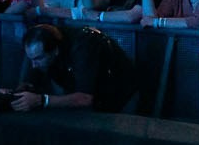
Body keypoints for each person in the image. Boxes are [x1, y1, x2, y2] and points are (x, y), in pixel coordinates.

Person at [10, 21, 139, 113]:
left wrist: (41, 100)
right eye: (31, 58)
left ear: (55, 51)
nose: (33, 64)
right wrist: (16, 94)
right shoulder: (46, 45)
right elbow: (31, 79)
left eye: (38, 58)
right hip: (98, 98)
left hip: (122, 95)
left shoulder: (84, 46)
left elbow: (85, 98)